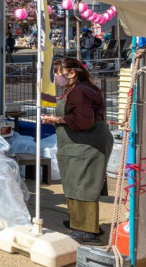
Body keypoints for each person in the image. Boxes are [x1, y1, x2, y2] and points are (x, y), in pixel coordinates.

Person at [42, 57, 113, 243]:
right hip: (79, 143)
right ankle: (79, 222)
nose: (56, 77)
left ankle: (87, 230)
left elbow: (83, 120)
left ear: (72, 73)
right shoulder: (76, 89)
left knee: (83, 185)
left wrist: (55, 120)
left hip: (86, 144)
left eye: (58, 73)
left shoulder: (80, 91)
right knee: (75, 182)